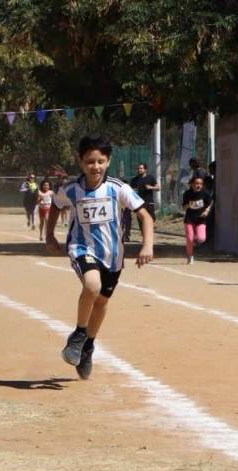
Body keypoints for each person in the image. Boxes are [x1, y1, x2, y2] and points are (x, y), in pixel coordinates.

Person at [45, 135, 154, 380]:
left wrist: (147, 245)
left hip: (113, 256)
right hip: (82, 249)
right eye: (89, 161)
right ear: (80, 162)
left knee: (102, 302)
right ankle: (79, 334)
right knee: (92, 286)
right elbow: (55, 206)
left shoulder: (118, 188)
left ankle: (88, 347)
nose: (95, 166)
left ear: (108, 161)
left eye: (100, 161)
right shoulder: (71, 189)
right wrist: (49, 235)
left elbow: (145, 216)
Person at [181, 175, 213, 264]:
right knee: (189, 239)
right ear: (191, 184)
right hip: (189, 219)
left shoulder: (205, 193)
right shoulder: (187, 194)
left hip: (200, 219)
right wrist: (189, 205)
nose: (198, 185)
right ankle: (190, 256)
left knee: (201, 238)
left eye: (201, 184)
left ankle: (195, 239)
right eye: (196, 183)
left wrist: (206, 211)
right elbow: (184, 207)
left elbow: (210, 202)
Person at [128, 162, 159, 240]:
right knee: (141, 220)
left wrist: (151, 187)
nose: (139, 170)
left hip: (149, 201)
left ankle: (148, 233)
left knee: (152, 218)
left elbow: (158, 188)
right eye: (138, 168)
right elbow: (130, 191)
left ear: (145, 169)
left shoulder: (150, 178)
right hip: (138, 203)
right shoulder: (134, 180)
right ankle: (144, 236)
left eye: (141, 168)